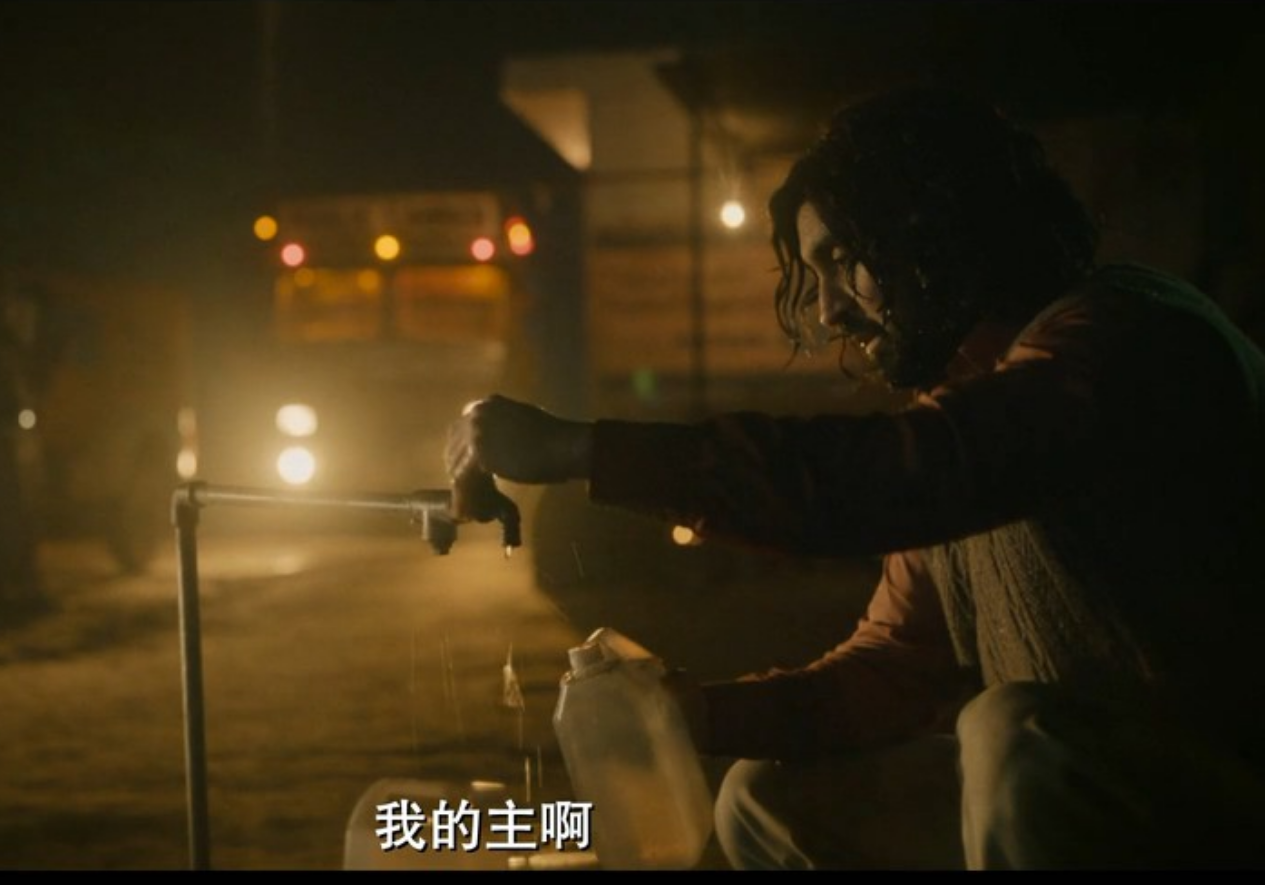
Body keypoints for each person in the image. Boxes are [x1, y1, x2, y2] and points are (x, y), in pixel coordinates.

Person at [446, 88, 1265, 870]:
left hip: (1225, 796)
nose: (829, 310)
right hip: (1113, 809)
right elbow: (892, 670)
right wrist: (688, 713)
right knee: (767, 799)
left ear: (932, 227)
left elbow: (900, 474)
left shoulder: (1125, 337)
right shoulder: (968, 408)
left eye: (841, 260)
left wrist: (583, 449)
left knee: (1014, 734)